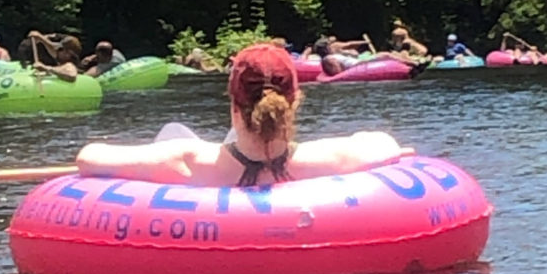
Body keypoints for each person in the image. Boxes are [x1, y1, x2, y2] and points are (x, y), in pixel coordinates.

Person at [75, 42, 414, 186]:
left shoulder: (185, 159)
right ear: (294, 102)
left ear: (233, 105)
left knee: (173, 131)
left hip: (214, 171)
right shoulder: (333, 157)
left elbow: (89, 157)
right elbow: (385, 143)